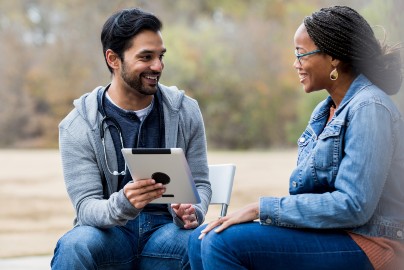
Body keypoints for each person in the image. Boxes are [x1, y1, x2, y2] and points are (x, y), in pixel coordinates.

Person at [189, 5, 404, 270]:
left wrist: (260, 209)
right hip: (333, 234)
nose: (296, 64)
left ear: (334, 57)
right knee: (201, 239)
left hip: (373, 243)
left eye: (301, 54)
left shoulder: (370, 107)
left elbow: (353, 205)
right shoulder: (324, 111)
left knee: (222, 243)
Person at [51, 7, 211, 270]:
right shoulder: (78, 124)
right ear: (113, 59)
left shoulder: (185, 111)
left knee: (204, 243)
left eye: (160, 56)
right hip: (109, 234)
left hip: (168, 232)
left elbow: (201, 183)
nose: (157, 66)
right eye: (146, 57)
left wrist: (192, 211)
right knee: (74, 245)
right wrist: (123, 203)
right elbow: (86, 207)